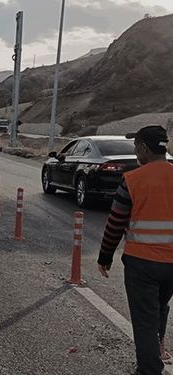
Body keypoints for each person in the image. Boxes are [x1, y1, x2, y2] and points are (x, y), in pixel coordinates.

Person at [96, 125, 173, 375]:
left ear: (143, 148)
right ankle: (157, 351)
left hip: (143, 264)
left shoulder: (133, 179)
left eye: (135, 145)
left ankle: (149, 369)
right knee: (160, 308)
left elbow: (116, 222)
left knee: (144, 320)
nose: (134, 150)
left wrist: (105, 257)